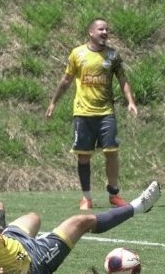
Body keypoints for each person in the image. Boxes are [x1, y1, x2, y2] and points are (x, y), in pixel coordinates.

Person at [0, 180, 161, 274]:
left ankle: (3, 235)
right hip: (32, 262)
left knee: (31, 216)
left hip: (11, 242)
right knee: (81, 221)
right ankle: (137, 207)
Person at [46, 18, 138, 210]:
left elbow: (123, 79)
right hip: (83, 113)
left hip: (106, 112)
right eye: (101, 29)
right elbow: (66, 80)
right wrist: (53, 102)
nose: (105, 32)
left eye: (107, 29)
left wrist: (130, 102)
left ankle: (114, 194)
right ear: (91, 32)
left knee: (111, 152)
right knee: (84, 156)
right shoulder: (77, 54)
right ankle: (86, 198)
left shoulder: (112, 56)